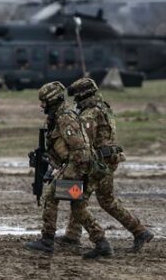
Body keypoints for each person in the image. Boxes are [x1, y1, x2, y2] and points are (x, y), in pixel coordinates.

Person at [57, 77, 154, 252]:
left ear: (82, 96)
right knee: (106, 201)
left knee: (78, 197)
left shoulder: (90, 113)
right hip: (108, 161)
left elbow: (84, 140)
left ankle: (79, 237)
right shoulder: (104, 108)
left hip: (98, 164)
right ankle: (140, 231)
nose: (75, 102)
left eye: (77, 98)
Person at [25, 81, 111, 259]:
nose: (42, 106)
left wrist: (71, 172)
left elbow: (79, 149)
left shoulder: (65, 117)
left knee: (50, 196)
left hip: (78, 165)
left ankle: (47, 240)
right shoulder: (58, 116)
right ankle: (102, 242)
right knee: (78, 206)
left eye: (44, 102)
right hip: (77, 165)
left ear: (53, 100)